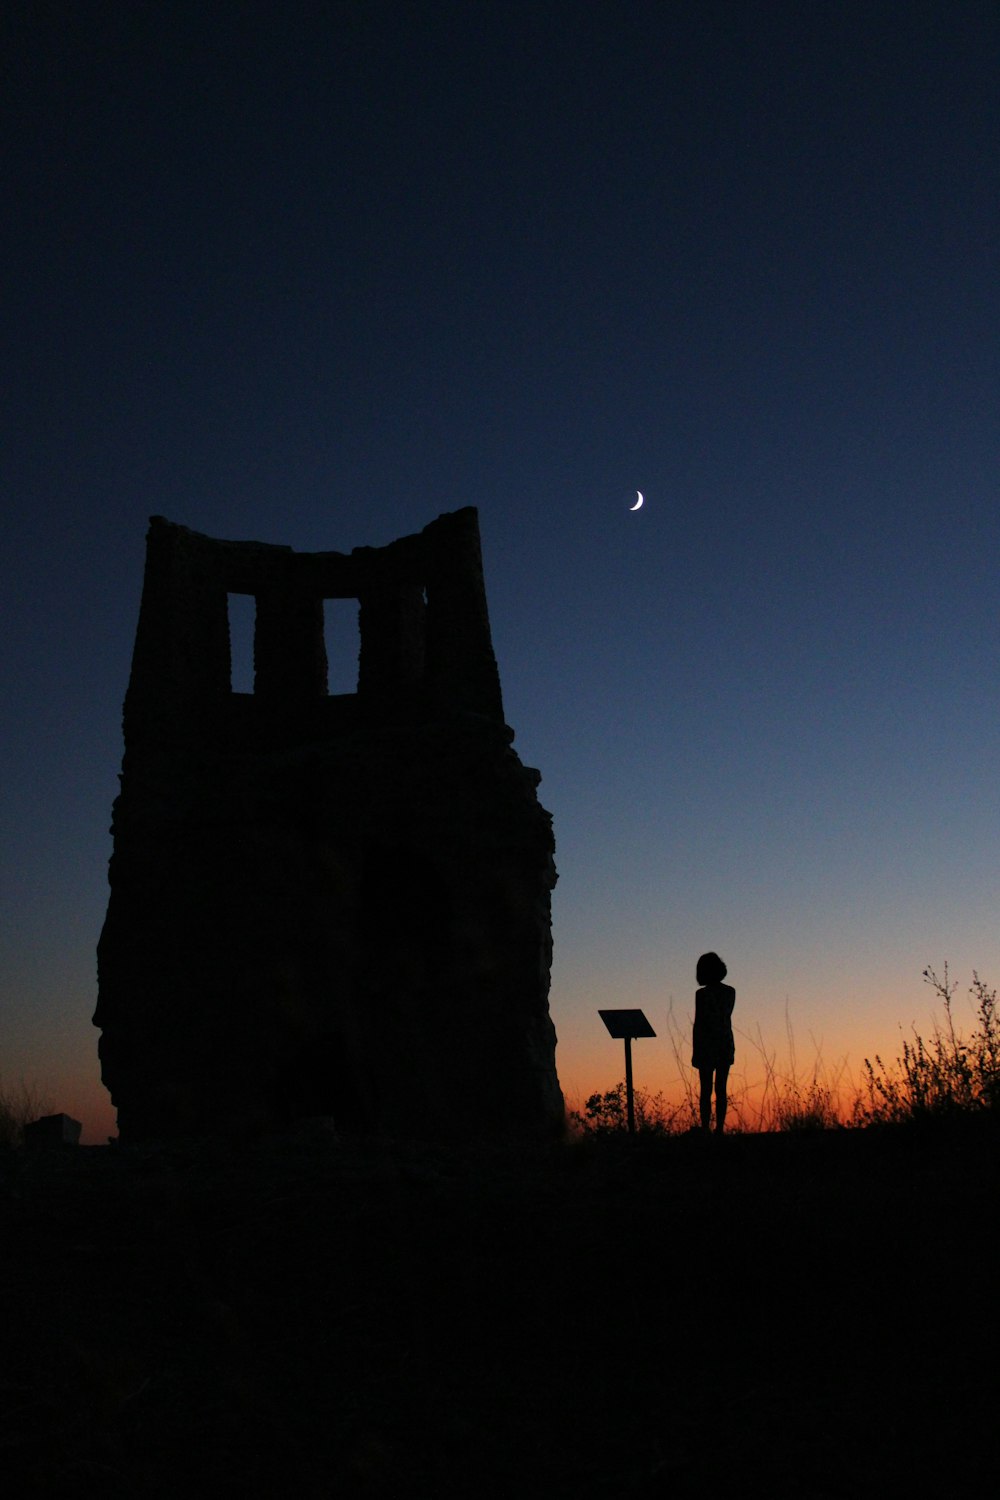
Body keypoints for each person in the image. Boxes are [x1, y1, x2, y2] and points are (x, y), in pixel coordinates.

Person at [692, 951, 735, 1134]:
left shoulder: (702, 994)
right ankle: (718, 1129)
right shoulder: (729, 992)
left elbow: (699, 1022)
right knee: (720, 1089)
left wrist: (696, 1049)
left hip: (707, 1044)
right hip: (724, 1042)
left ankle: (706, 1128)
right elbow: (724, 1017)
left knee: (706, 1090)